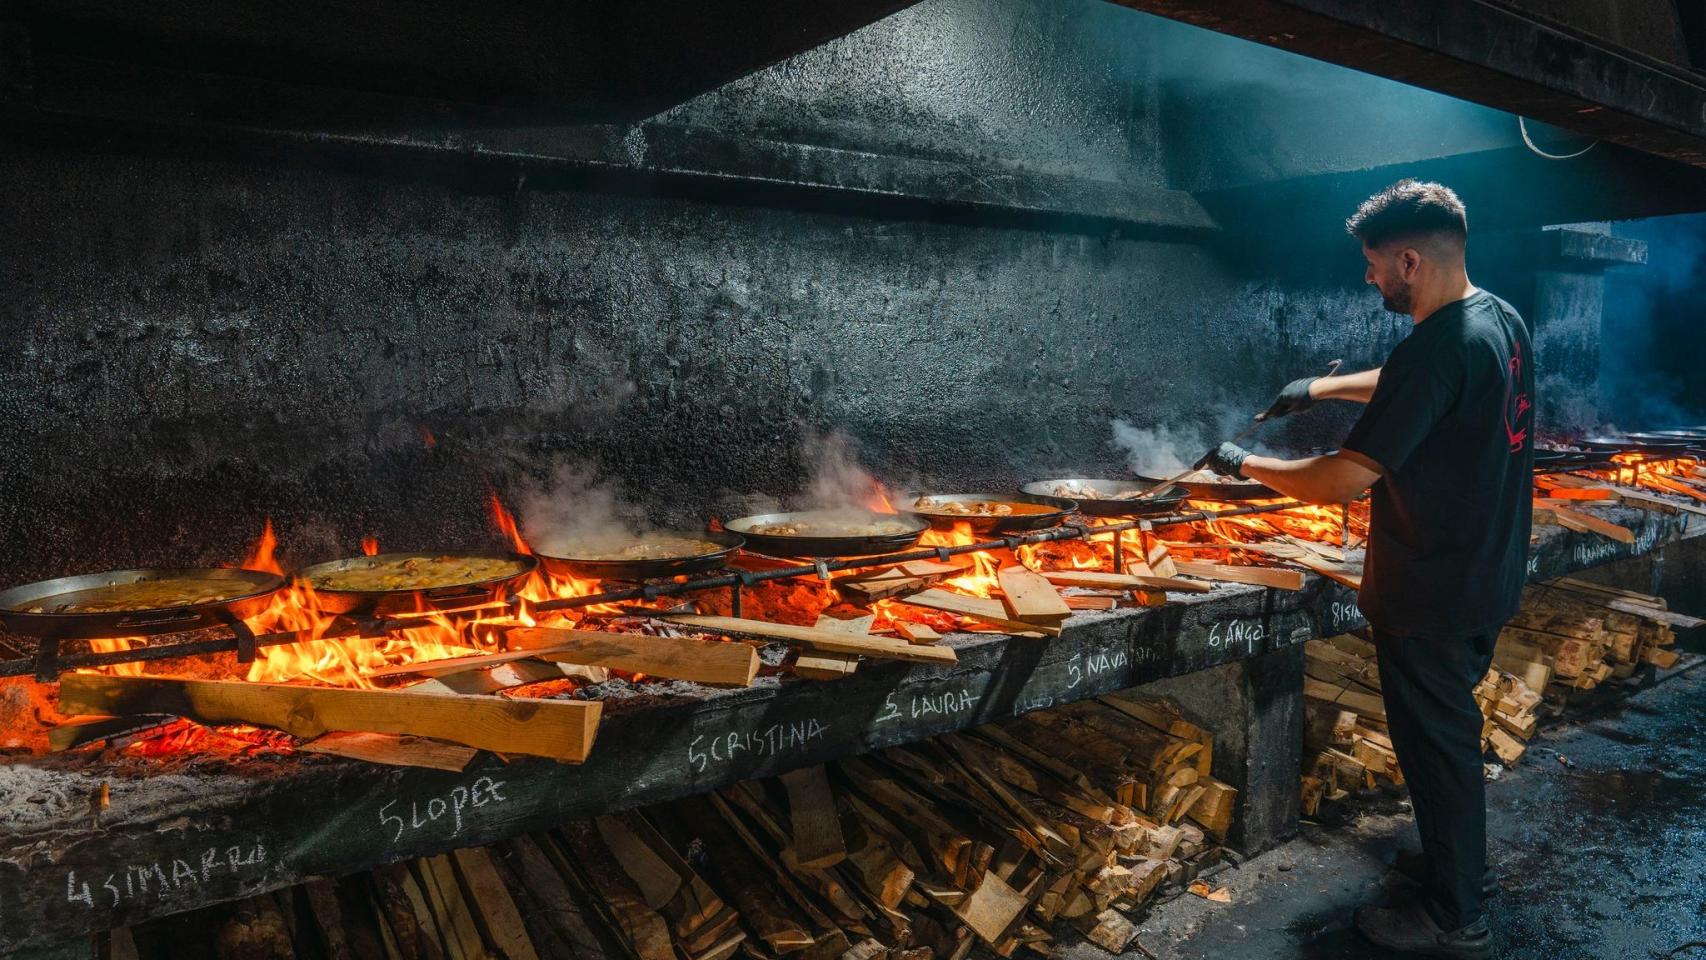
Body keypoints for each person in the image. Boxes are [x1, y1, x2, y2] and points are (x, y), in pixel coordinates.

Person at [1203, 179, 1534, 959]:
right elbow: (1418, 383)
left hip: (1433, 588)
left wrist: (1245, 462)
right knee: (1445, 735)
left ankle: (1455, 914)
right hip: (1486, 569)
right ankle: (1454, 863)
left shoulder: (1441, 345)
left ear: (1409, 261)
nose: (1368, 277)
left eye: (1373, 263)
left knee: (1438, 746)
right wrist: (1317, 388)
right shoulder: (1496, 318)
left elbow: (1341, 479)